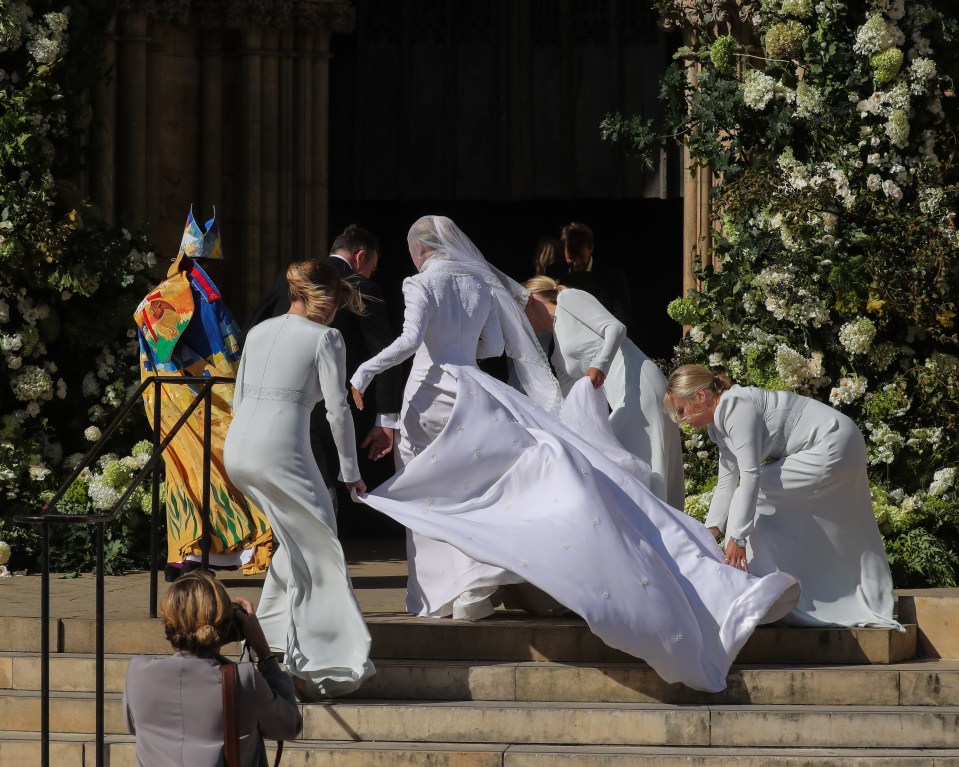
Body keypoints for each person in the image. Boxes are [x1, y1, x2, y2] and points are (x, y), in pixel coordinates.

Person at [349, 215, 800, 693]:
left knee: (431, 486)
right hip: (473, 388)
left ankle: (444, 594)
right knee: (480, 482)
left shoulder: (420, 282)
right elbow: (494, 345)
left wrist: (363, 372)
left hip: (430, 389)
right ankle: (472, 590)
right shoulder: (479, 281)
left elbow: (408, 341)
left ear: (419, 249)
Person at [224, 260, 376, 699]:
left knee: (296, 548)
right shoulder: (326, 337)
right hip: (282, 452)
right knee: (323, 551)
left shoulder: (257, 332)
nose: (337, 312)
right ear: (324, 298)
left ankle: (271, 647)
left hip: (240, 450)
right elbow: (337, 411)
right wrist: (351, 473)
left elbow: (237, 396)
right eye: (338, 302)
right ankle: (324, 664)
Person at [663, 364, 901, 629]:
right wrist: (710, 532)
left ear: (700, 396)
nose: (681, 420)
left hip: (833, 444)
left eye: (681, 410)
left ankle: (761, 592)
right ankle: (779, 590)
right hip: (832, 443)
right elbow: (727, 481)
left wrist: (737, 538)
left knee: (759, 496)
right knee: (762, 507)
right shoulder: (719, 424)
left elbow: (750, 476)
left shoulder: (735, 408)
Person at [134, 207, 272, 581]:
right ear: (203, 262)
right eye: (213, 264)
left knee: (185, 471)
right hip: (202, 400)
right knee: (227, 463)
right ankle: (226, 546)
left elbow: (155, 351)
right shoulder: (204, 296)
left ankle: (188, 553)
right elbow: (225, 352)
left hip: (164, 399)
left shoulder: (157, 295)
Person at [242, 225, 403, 515]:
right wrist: (386, 418)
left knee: (284, 509)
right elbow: (385, 354)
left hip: (262, 423)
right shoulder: (359, 288)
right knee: (319, 503)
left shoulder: (284, 285)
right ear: (360, 256)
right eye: (372, 267)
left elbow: (247, 338)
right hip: (326, 413)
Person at [525, 276, 684, 509]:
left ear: (530, 300)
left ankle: (661, 527)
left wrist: (600, 365)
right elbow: (566, 402)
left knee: (637, 464)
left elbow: (615, 327)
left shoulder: (569, 299)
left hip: (638, 384)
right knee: (617, 462)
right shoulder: (556, 357)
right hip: (621, 398)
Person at [123, 571, 302, 766]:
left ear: (166, 625)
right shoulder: (242, 679)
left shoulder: (138, 673)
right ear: (226, 626)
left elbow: (134, 726)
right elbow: (289, 726)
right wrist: (265, 653)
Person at [558, 221, 633, 334]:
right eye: (571, 258)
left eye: (581, 257)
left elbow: (622, 321)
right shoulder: (554, 273)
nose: (576, 263)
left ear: (591, 248)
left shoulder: (614, 277)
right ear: (563, 250)